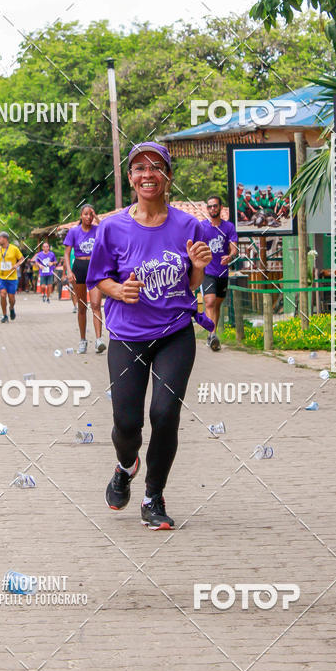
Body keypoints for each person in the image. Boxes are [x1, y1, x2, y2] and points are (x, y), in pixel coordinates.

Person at [87, 142, 214, 530]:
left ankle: (153, 497)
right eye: (139, 168)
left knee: (164, 413)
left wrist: (196, 269)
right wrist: (117, 291)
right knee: (127, 424)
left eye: (156, 168)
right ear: (130, 178)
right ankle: (126, 466)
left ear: (168, 176)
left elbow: (191, 285)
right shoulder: (112, 227)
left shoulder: (189, 226)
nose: (147, 174)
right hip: (127, 336)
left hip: (175, 332)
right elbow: (97, 278)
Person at [64, 206, 106, 353]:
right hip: (79, 267)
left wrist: (97, 217)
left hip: (94, 267)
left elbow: (108, 229)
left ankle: (99, 340)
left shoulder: (97, 229)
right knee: (82, 307)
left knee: (95, 304)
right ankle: (83, 340)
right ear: (81, 216)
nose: (89, 217)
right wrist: (69, 271)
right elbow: (67, 253)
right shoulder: (74, 231)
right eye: (86, 214)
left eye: (91, 214)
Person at [200, 195, 238, 352]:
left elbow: (234, 247)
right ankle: (213, 334)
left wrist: (230, 256)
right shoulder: (202, 227)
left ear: (221, 207)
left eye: (215, 206)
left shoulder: (228, 227)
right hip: (207, 271)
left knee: (216, 305)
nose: (212, 209)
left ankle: (211, 334)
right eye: (209, 207)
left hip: (222, 272)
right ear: (207, 209)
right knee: (209, 302)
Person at [0, 232, 24, 323]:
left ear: (5, 239)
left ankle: (11, 308)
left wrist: (17, 265)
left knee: (11, 298)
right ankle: (4, 315)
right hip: (0, 277)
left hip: (12, 277)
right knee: (2, 294)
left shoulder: (14, 249)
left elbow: (22, 259)